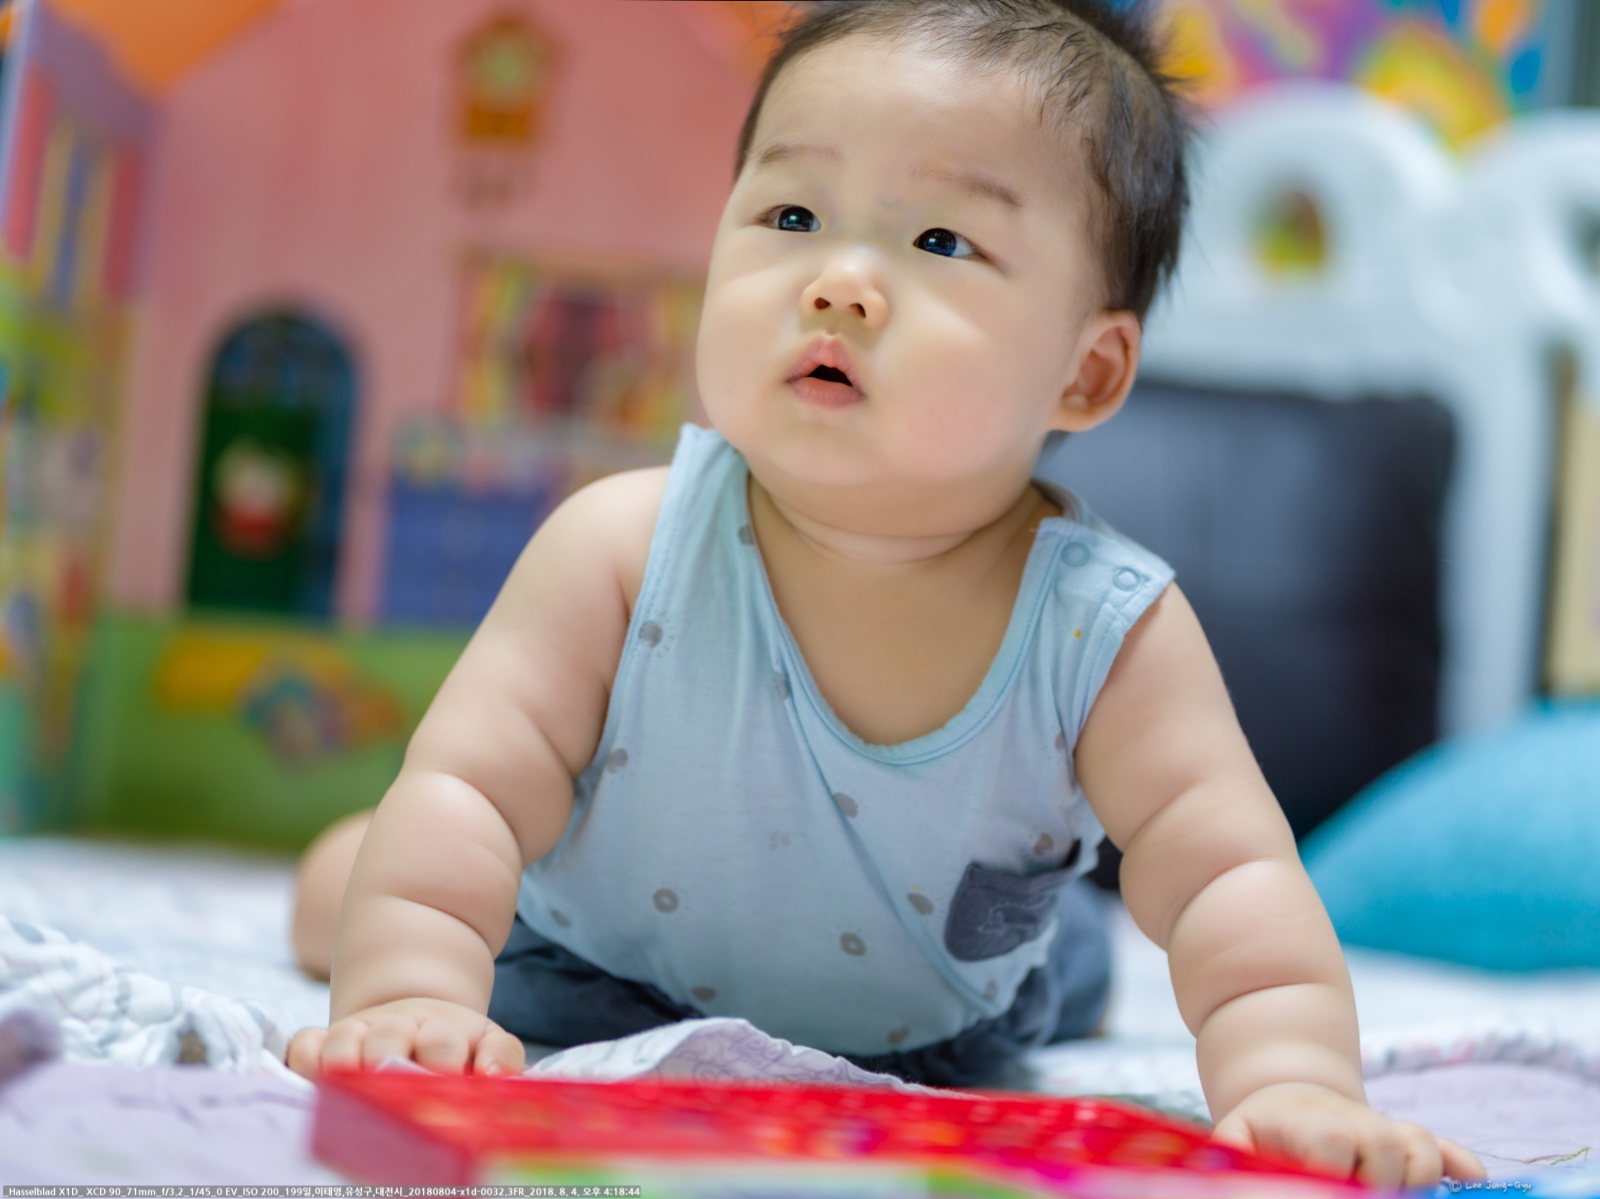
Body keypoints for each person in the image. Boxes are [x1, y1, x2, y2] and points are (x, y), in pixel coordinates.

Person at [286, 1, 1483, 1187]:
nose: (840, 282)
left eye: (941, 241)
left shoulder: (1104, 629)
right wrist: (408, 996)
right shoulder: (620, 546)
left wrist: (1292, 1082)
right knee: (373, 883)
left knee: (1072, 956)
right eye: (792, 216)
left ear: (1086, 371)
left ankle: (1066, 939)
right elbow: (472, 789)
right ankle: (348, 868)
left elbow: (1227, 880)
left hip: (945, 1027)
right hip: (592, 965)